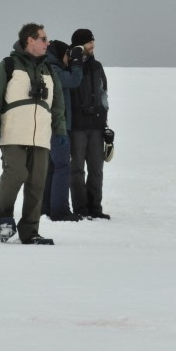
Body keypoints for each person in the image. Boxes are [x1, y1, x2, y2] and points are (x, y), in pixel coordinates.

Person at [0, 23, 68, 245]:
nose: (47, 43)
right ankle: (1, 221)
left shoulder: (49, 70)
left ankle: (30, 231)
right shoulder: (9, 65)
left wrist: (59, 129)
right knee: (15, 175)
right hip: (13, 133)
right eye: (43, 39)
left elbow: (58, 104)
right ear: (30, 40)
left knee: (37, 182)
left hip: (41, 135)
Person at [68, 28, 111, 219]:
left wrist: (105, 121)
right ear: (79, 45)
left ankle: (95, 208)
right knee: (76, 169)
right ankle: (81, 209)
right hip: (77, 126)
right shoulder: (69, 65)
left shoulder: (97, 66)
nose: (92, 45)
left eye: (92, 41)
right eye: (88, 42)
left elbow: (103, 93)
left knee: (96, 169)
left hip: (96, 125)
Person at [43, 40, 84, 221]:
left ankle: (47, 209)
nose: (68, 58)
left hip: (50, 126)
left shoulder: (49, 67)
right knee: (62, 166)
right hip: (57, 127)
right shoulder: (54, 69)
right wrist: (77, 63)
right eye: (67, 55)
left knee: (52, 168)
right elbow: (74, 81)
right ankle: (59, 211)